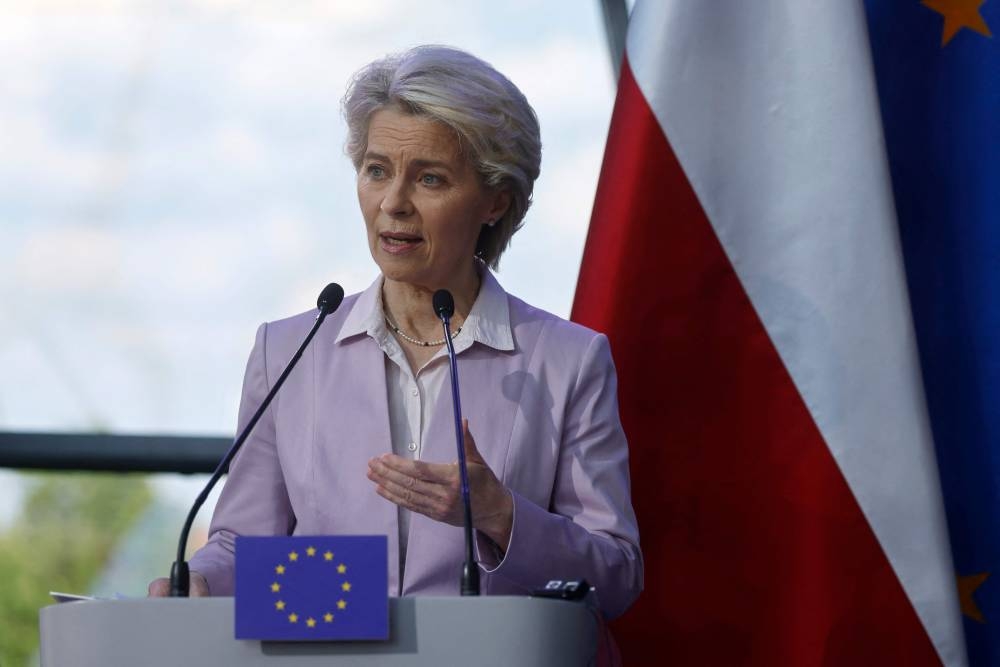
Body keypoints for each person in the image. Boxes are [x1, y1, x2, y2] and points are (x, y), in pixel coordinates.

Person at [149, 45, 642, 621]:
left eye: (429, 178)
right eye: (376, 170)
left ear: (494, 200)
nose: (393, 203)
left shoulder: (568, 361)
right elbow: (241, 544)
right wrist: (200, 583)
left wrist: (500, 514)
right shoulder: (287, 353)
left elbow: (616, 573)